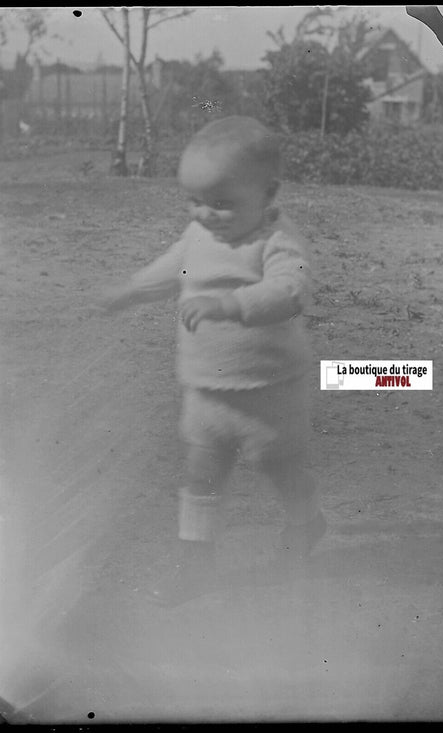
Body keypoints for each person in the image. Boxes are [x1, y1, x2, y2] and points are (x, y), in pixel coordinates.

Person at [103, 116, 326, 606]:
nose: (205, 214)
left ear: (268, 193)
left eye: (222, 204)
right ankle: (195, 562)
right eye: (195, 200)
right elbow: (171, 269)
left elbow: (289, 292)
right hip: (206, 390)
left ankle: (305, 521)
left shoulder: (278, 241)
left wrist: (231, 305)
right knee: (200, 475)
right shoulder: (199, 234)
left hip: (268, 390)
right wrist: (129, 291)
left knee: (279, 466)